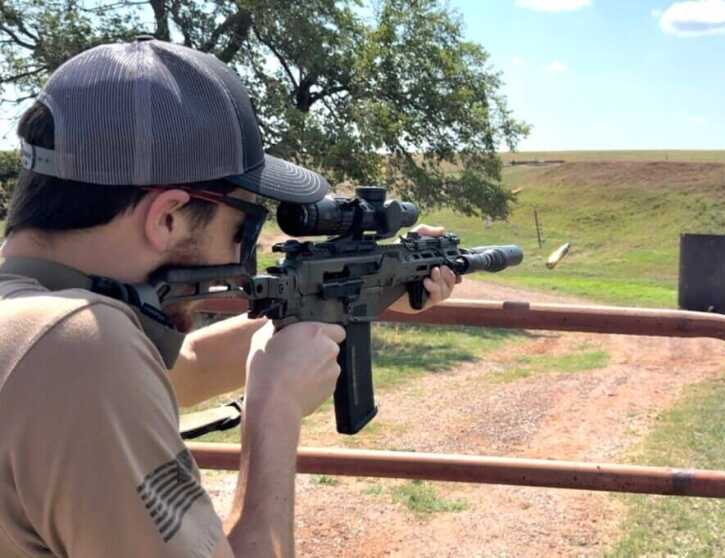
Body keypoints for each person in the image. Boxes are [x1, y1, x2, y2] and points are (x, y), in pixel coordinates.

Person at [0, 37, 458, 557]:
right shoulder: (79, 347)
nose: (242, 250)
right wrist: (276, 408)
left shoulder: (32, 324)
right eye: (241, 226)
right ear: (167, 216)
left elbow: (185, 367)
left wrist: (347, 302)